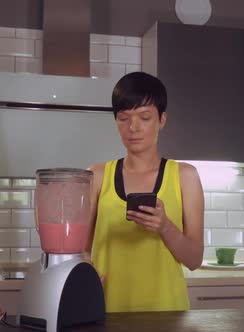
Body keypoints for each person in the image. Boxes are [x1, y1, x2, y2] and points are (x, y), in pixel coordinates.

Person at [86, 72, 205, 313]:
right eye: (123, 118)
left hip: (167, 314)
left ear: (162, 119)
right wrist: (85, 269)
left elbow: (194, 260)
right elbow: (80, 249)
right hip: (107, 312)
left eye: (144, 117)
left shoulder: (185, 176)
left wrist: (165, 227)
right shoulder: (96, 176)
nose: (133, 128)